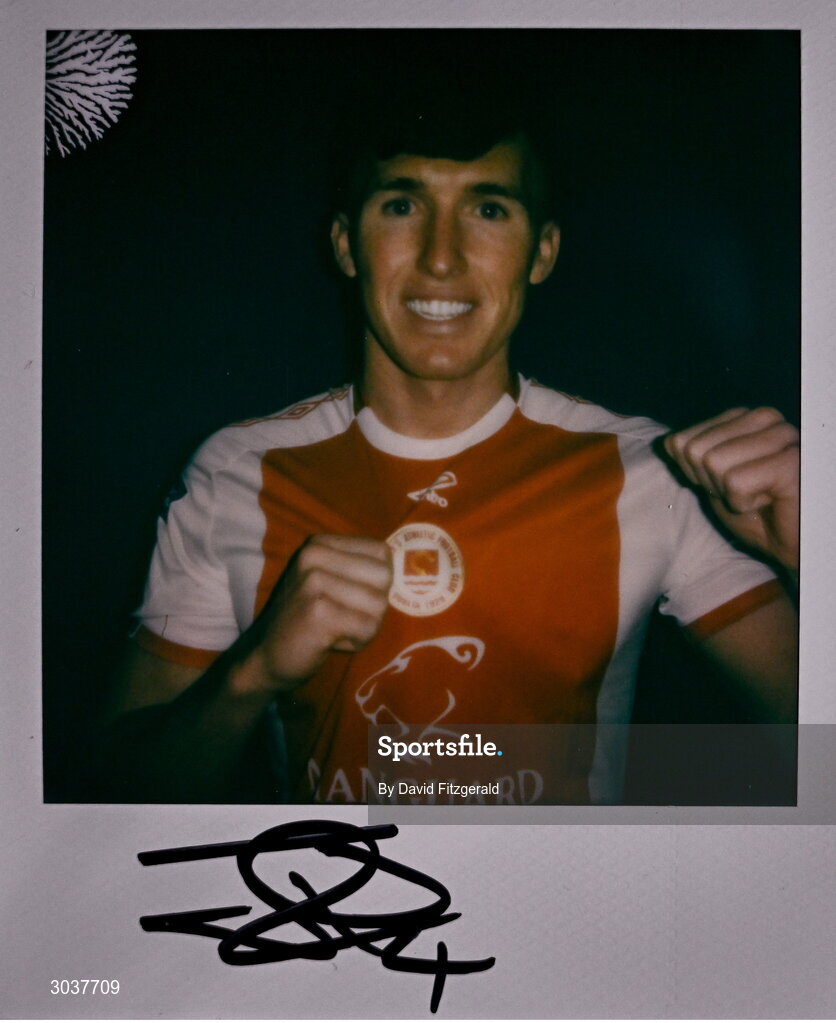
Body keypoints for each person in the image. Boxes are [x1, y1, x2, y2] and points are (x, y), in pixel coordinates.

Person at [95, 77, 799, 805]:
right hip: (340, 883)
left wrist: (811, 553)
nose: (441, 258)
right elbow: (114, 793)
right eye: (402, 205)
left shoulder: (647, 470)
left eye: (488, 210)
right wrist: (254, 671)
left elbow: (813, 740)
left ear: (542, 252)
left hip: (567, 885)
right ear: (345, 244)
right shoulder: (236, 475)